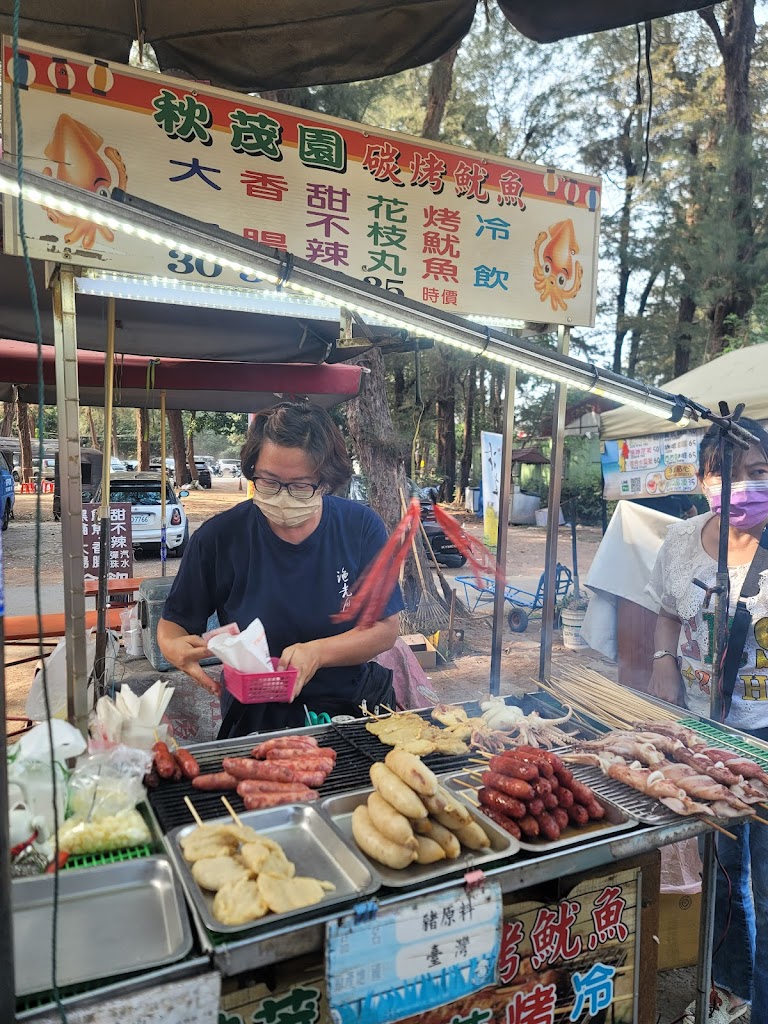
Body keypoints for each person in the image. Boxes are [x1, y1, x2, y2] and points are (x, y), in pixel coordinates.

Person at [158, 403, 403, 737]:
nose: (283, 497)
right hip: (254, 716)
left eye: (301, 486)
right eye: (269, 482)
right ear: (253, 469)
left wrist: (316, 653)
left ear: (325, 481)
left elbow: (386, 628)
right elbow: (173, 625)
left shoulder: (360, 527)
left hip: (347, 709)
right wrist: (173, 647)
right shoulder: (219, 538)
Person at [647, 416, 768, 1024]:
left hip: (764, 737)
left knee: (767, 883)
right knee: (722, 868)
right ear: (705, 479)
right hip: (700, 729)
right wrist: (664, 661)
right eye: (730, 475)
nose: (745, 488)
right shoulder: (679, 542)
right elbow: (667, 614)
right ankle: (728, 989)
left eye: (759, 474)